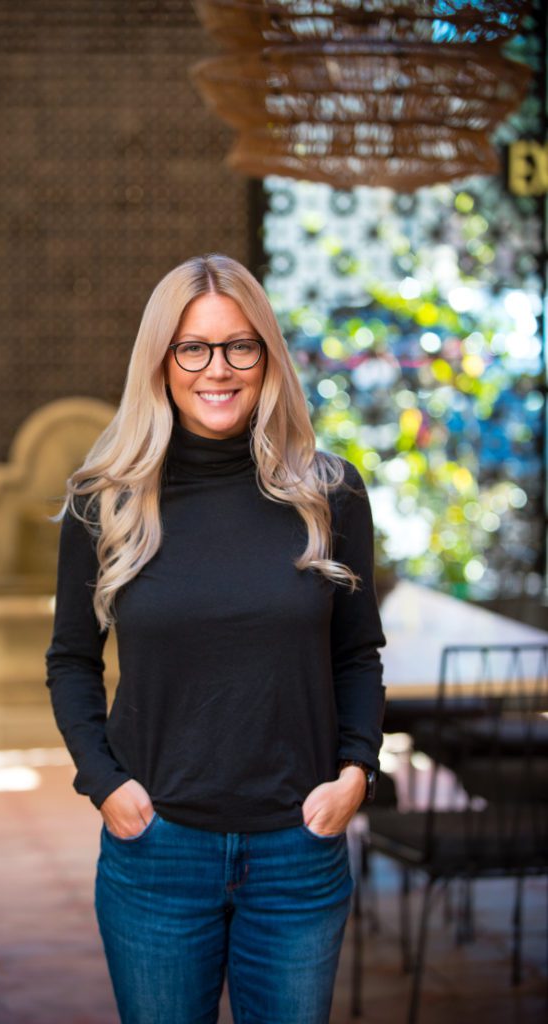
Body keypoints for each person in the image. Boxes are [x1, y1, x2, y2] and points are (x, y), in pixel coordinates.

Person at [45, 253, 386, 1024]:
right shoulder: (105, 502)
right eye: (192, 348)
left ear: (267, 356)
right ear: (161, 361)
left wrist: (355, 773)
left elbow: (356, 654)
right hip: (157, 849)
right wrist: (105, 784)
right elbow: (70, 660)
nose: (217, 369)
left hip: (298, 848)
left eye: (239, 346)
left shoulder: (329, 493)